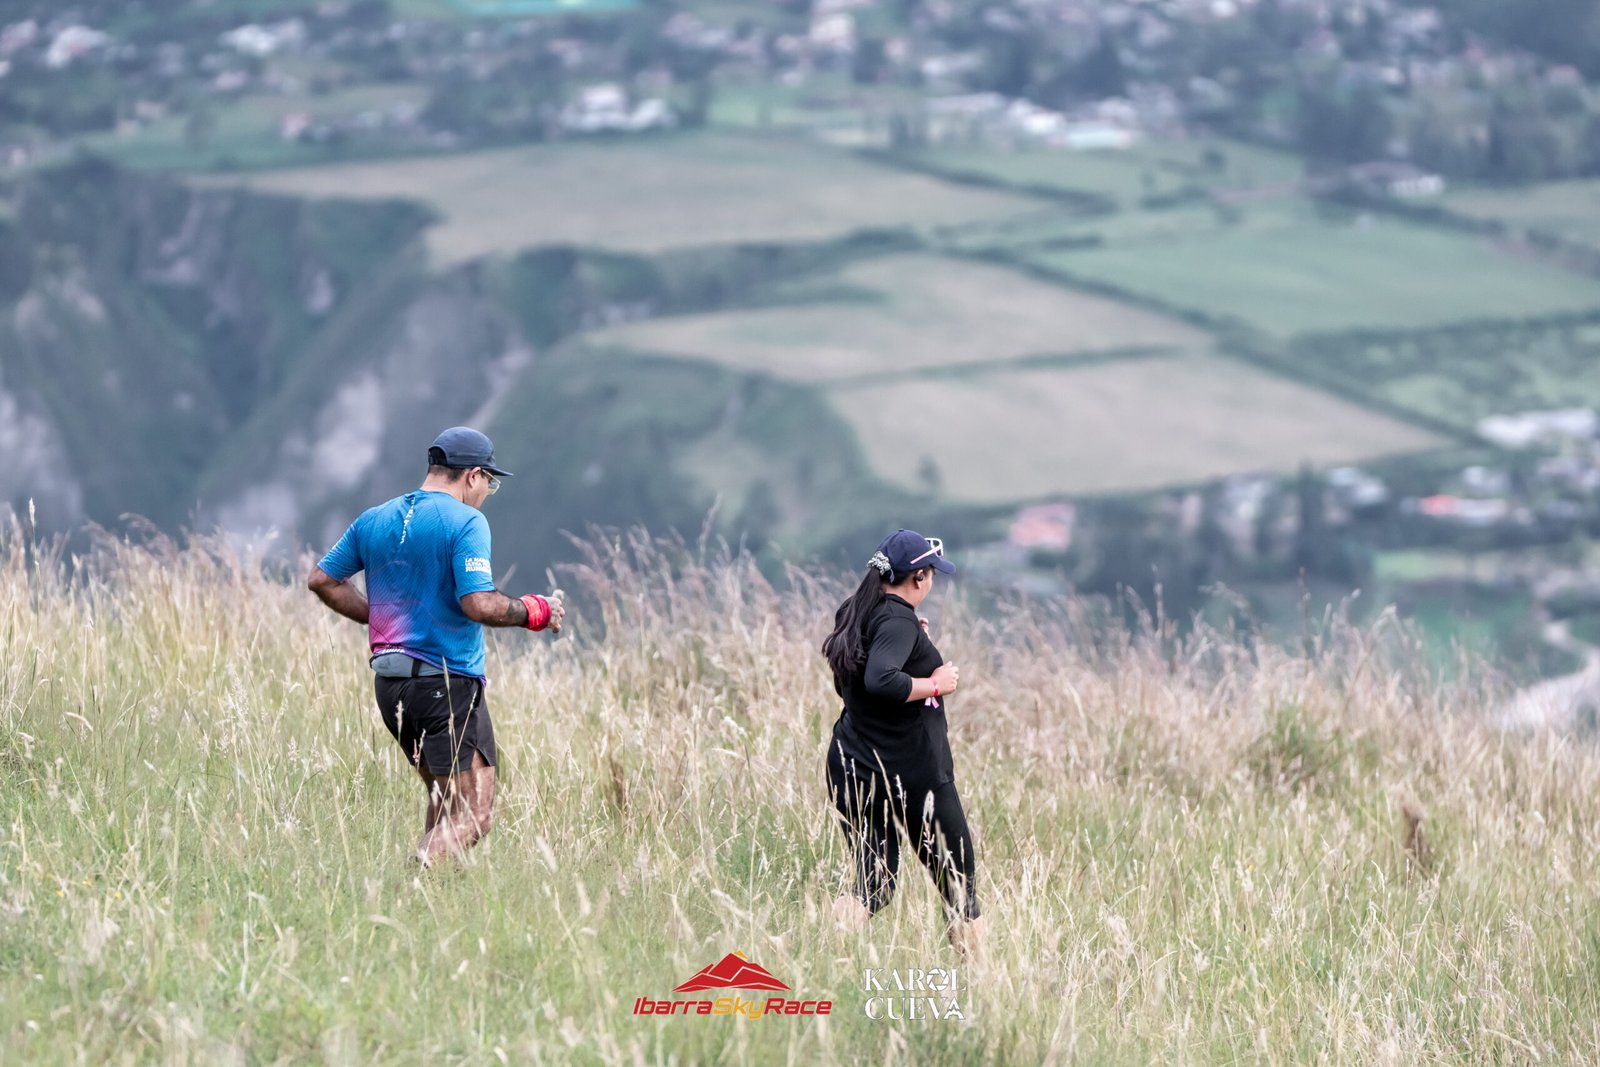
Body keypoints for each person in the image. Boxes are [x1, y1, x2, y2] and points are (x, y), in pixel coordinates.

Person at [308, 426, 565, 865]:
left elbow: (321, 579)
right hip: (445, 682)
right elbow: (478, 603)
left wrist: (380, 617)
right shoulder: (466, 521)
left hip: (390, 686)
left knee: (445, 800)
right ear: (474, 475)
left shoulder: (374, 518)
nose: (486, 493)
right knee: (474, 813)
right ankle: (419, 874)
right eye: (489, 483)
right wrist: (534, 610)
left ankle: (430, 895)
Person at [821, 528, 983, 958]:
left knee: (875, 883)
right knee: (958, 880)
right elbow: (880, 680)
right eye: (932, 574)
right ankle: (983, 981)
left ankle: (824, 956)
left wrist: (910, 638)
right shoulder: (896, 622)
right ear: (918, 577)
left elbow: (854, 680)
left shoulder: (856, 611)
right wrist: (936, 683)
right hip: (913, 774)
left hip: (853, 765)